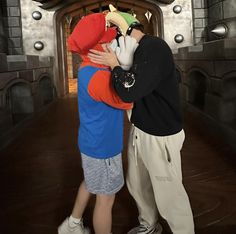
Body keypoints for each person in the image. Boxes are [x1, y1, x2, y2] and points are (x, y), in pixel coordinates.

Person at [88, 10, 195, 234]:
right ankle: (149, 225)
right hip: (140, 129)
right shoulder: (136, 52)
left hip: (160, 134)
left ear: (122, 32)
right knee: (138, 186)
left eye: (112, 39)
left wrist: (114, 65)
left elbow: (130, 91)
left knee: (170, 194)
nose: (110, 45)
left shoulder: (154, 47)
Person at [58, 13, 133, 234]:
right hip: (104, 148)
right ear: (98, 48)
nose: (113, 44)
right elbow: (127, 100)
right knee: (106, 199)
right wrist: (120, 66)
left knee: (91, 182)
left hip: (91, 143)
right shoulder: (99, 77)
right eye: (109, 42)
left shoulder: (87, 69)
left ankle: (72, 224)